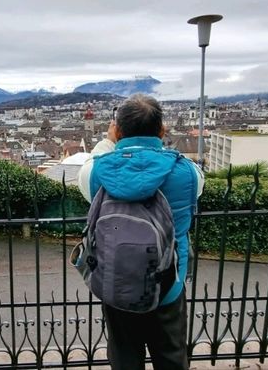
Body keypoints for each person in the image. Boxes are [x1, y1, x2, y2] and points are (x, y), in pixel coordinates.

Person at [77, 95, 203, 370]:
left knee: (124, 355)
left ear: (118, 130)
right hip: (169, 282)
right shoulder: (187, 173)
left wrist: (109, 142)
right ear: (161, 131)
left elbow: (88, 169)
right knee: (171, 356)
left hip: (117, 280)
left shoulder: (97, 171)